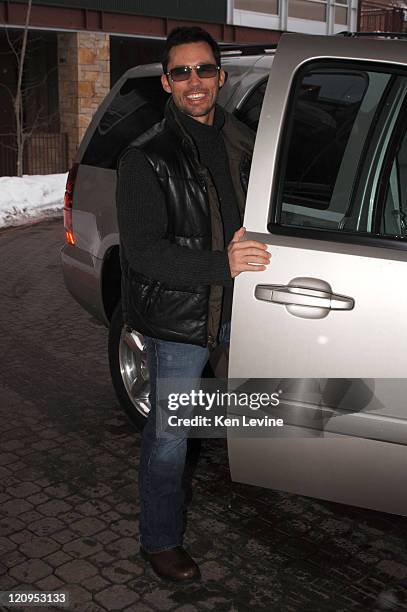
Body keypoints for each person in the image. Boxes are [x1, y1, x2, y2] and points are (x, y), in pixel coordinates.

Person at [116, 26, 271, 582]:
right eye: (181, 72)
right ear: (166, 82)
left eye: (204, 69)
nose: (194, 82)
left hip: (243, 310)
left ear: (220, 76)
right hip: (181, 321)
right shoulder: (147, 157)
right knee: (169, 437)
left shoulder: (245, 140)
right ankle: (159, 540)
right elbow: (143, 253)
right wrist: (220, 266)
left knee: (260, 412)